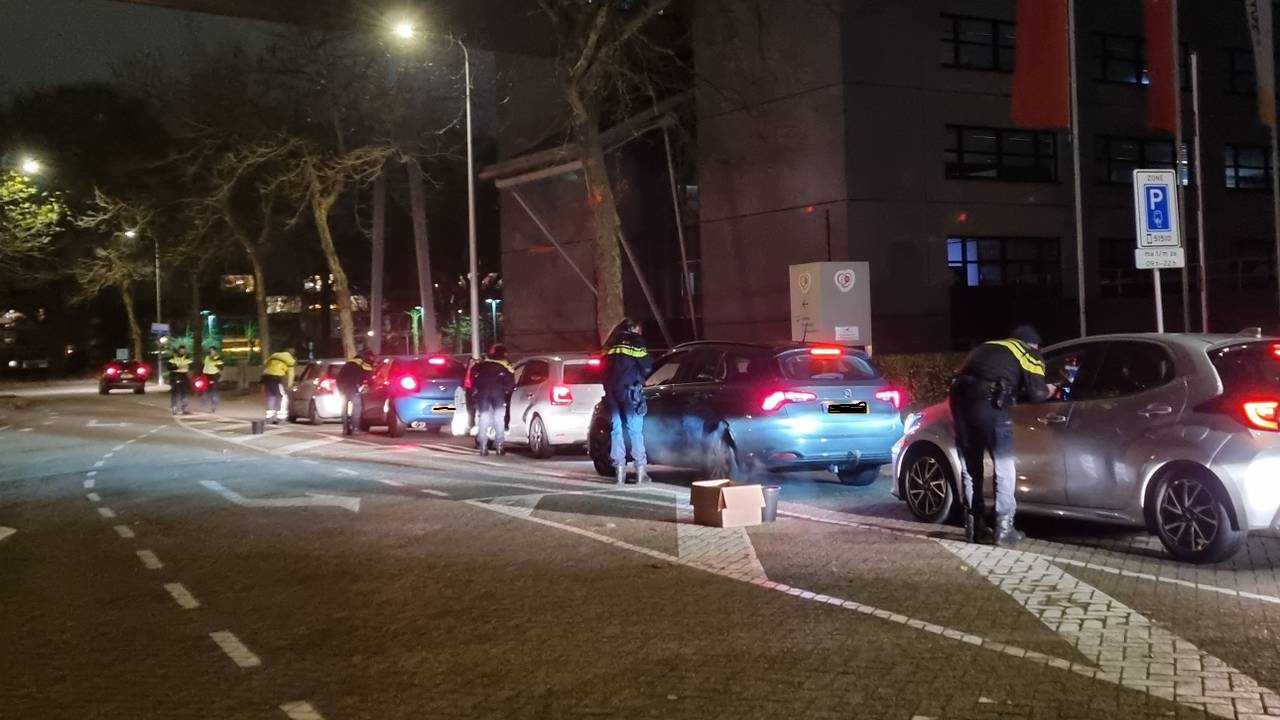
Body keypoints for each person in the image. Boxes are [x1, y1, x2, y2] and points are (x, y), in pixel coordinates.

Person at [949, 325, 1056, 546]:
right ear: (1033, 344)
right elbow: (1036, 394)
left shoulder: (987, 347)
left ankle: (974, 527)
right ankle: (1004, 528)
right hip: (990, 405)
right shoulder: (1028, 353)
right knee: (1004, 466)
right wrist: (1052, 389)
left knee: (970, 466)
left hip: (960, 402)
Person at [602, 318, 653, 485]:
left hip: (612, 391)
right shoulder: (635, 341)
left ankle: (619, 472)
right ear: (635, 329)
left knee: (616, 430)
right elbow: (646, 366)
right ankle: (640, 472)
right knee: (635, 431)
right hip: (630, 391)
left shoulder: (610, 343)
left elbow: (602, 368)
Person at [469, 344, 515, 456]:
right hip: (498, 393)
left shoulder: (482, 364)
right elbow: (510, 383)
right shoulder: (505, 365)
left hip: (483, 393)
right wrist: (506, 391)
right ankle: (499, 446)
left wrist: (476, 389)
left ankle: (483, 446)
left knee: (483, 418)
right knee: (499, 419)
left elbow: (473, 377)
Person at [336, 349, 376, 436]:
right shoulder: (364, 364)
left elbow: (339, 376)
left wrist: (340, 389)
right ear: (367, 357)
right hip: (353, 388)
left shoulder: (349, 362)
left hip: (342, 388)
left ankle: (345, 429)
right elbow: (370, 379)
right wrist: (372, 386)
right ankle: (355, 429)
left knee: (344, 409)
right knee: (357, 408)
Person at [262, 346, 297, 425]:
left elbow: (265, 362)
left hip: (266, 376)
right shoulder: (290, 360)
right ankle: (281, 418)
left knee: (271, 396)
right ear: (293, 354)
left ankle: (269, 418)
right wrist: (289, 385)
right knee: (283, 396)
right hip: (276, 377)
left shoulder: (275, 355)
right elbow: (291, 374)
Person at [167, 345, 194, 415]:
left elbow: (191, 366)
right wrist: (178, 366)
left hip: (184, 376)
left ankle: (184, 408)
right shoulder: (173, 358)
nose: (182, 352)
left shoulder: (187, 358)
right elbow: (169, 367)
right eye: (181, 351)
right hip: (175, 376)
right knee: (175, 393)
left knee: (184, 392)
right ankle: (174, 408)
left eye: (184, 351)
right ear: (178, 351)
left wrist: (179, 366)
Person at [202, 346, 224, 413]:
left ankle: (214, 405)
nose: (211, 352)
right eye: (210, 351)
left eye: (212, 351)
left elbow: (221, 368)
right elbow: (205, 366)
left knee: (214, 392)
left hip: (214, 376)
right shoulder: (207, 358)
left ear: (215, 351)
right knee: (205, 390)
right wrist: (204, 374)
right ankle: (204, 401)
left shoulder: (218, 358)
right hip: (207, 375)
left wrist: (215, 362)